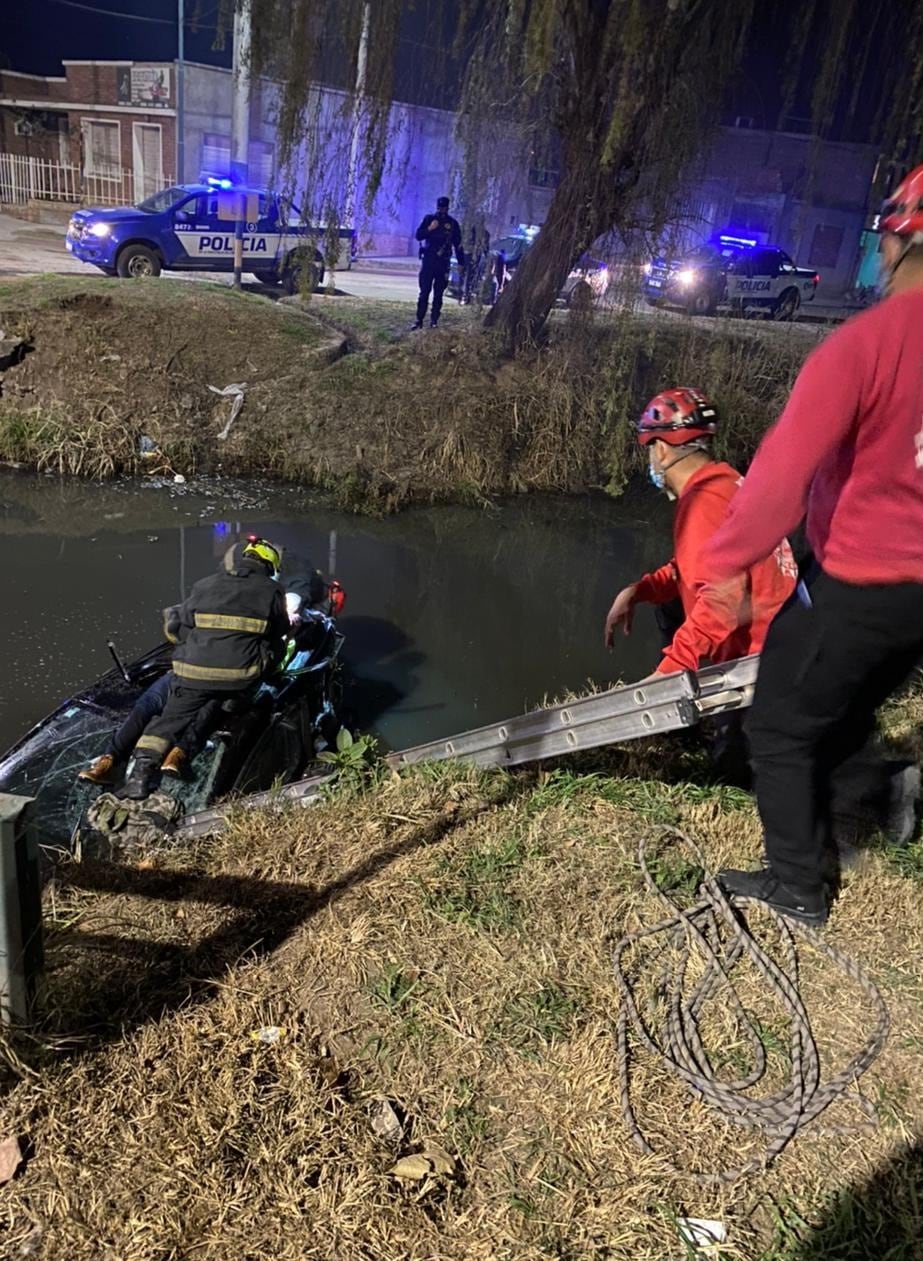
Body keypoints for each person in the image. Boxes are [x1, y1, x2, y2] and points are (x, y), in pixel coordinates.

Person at [704, 164, 923, 926]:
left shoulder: (865, 345)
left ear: (897, 240)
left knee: (777, 723)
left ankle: (799, 884)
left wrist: (721, 565)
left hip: (859, 580)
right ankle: (869, 795)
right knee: (843, 704)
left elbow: (778, 475)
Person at [604, 387, 797, 679]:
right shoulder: (727, 483)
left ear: (662, 450)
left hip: (758, 671)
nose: (652, 461)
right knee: (668, 608)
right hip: (787, 643)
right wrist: (640, 590)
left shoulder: (701, 505)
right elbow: (698, 566)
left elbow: (722, 601)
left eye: (650, 450)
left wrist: (668, 673)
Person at [122, 536, 290, 799]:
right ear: (270, 566)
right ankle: (238, 700)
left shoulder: (204, 584)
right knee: (276, 646)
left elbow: (182, 626)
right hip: (240, 677)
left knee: (168, 720)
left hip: (192, 675)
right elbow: (281, 631)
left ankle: (140, 777)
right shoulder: (273, 591)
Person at [77, 671, 221, 785]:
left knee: (205, 714)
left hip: (209, 679)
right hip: (186, 675)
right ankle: (109, 761)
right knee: (141, 711)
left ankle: (178, 755)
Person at [413, 196, 466, 329]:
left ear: (448, 208)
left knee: (438, 294)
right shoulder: (429, 219)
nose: (442, 210)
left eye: (444, 208)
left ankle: (434, 320)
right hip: (429, 260)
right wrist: (430, 229)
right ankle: (419, 320)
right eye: (440, 208)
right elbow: (419, 235)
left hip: (443, 262)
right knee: (424, 292)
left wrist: (461, 262)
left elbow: (458, 244)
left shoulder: (452, 224)